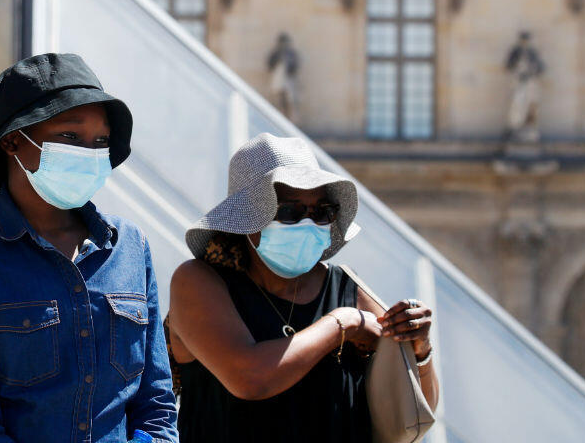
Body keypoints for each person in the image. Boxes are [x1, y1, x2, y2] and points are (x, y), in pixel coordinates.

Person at [0, 53, 178, 443]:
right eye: (70, 137)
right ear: (12, 140)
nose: (90, 152)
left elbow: (157, 405)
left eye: (101, 141)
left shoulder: (130, 246)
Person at [165, 133, 439, 442]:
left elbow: (415, 411)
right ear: (248, 219)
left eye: (322, 212)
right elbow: (250, 379)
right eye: (290, 212)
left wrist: (420, 351)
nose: (308, 223)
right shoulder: (200, 283)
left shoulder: (348, 289)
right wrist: (341, 324)